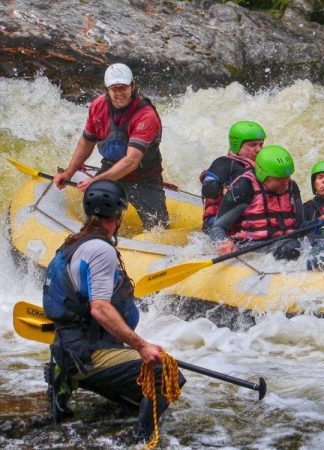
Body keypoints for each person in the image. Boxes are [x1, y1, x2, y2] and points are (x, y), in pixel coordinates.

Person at [42, 180, 185, 442]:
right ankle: (143, 442)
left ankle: (67, 379)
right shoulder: (100, 250)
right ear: (118, 216)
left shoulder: (74, 243)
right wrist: (141, 346)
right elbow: (99, 308)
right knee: (166, 372)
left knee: (136, 402)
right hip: (88, 353)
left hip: (69, 349)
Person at [53, 63, 169, 230]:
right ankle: (100, 232)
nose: (119, 93)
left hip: (144, 176)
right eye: (115, 89)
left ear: (132, 86)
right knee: (94, 217)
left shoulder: (146, 115)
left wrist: (96, 181)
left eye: (123, 88)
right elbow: (86, 141)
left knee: (159, 228)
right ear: (107, 90)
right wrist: (68, 172)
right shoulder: (98, 106)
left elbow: (131, 161)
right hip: (110, 167)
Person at [209, 145, 304, 260]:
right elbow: (218, 227)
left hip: (286, 244)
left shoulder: (292, 186)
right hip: (252, 248)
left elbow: (301, 225)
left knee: (297, 246)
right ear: (263, 176)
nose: (285, 182)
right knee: (290, 248)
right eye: (278, 179)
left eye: (287, 177)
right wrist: (223, 242)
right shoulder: (244, 187)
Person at [200, 121, 266, 232]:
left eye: (261, 144)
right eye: (253, 145)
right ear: (237, 145)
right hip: (218, 222)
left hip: (246, 221)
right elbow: (208, 189)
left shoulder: (261, 167)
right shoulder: (223, 163)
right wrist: (225, 190)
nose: (258, 149)